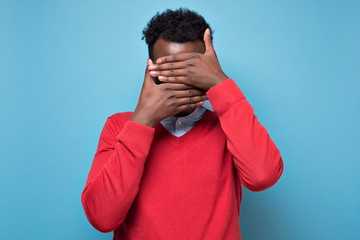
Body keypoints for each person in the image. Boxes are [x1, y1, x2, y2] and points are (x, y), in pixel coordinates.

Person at [81, 8, 284, 240]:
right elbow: (102, 217)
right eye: (169, 70)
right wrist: (142, 119)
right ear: (152, 70)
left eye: (192, 69)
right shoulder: (120, 126)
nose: (182, 82)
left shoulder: (229, 124)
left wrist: (221, 83)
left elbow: (263, 176)